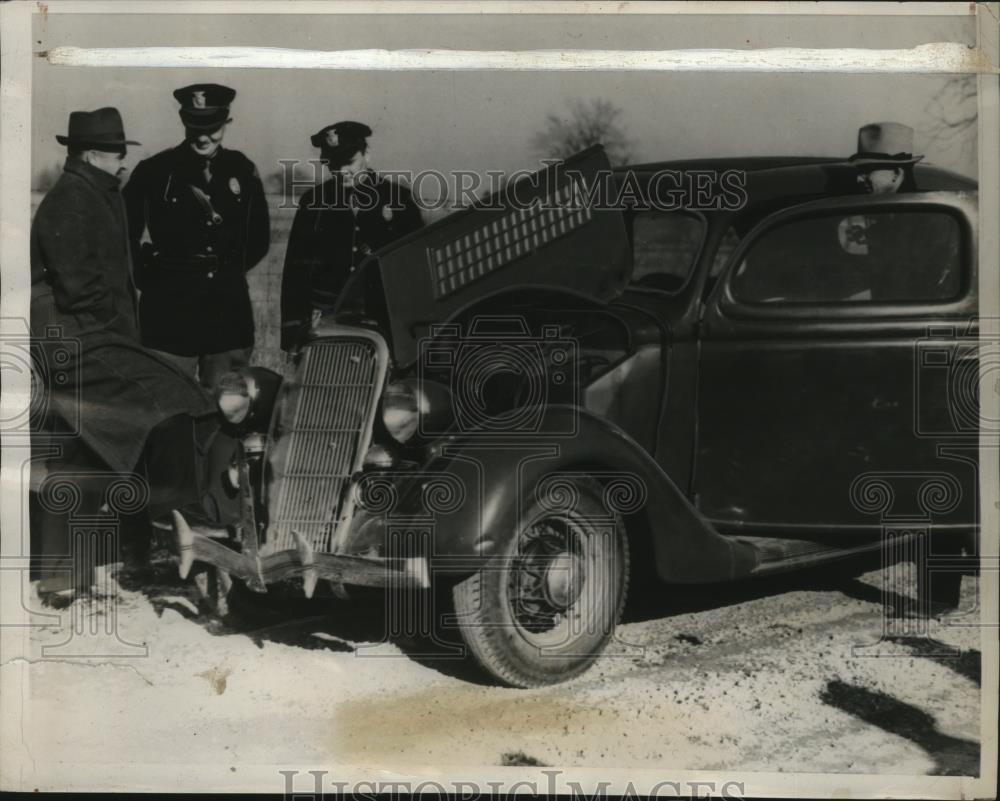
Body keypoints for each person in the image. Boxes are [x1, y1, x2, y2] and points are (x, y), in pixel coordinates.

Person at [30, 107, 217, 601]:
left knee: (82, 451)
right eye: (117, 155)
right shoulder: (72, 201)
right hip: (80, 342)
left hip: (81, 340)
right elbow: (80, 292)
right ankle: (178, 533)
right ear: (91, 154)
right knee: (176, 403)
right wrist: (121, 342)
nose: (122, 164)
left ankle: (65, 576)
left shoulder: (92, 193)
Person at [123, 83, 269, 390]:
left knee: (227, 405)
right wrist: (148, 277)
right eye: (195, 126)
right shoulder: (154, 171)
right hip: (168, 313)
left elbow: (259, 238)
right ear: (183, 122)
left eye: (212, 127)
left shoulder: (242, 170)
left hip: (227, 314)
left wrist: (226, 271)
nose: (203, 136)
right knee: (167, 404)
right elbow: (124, 232)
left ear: (226, 123)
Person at [280, 121, 423, 351]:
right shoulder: (313, 202)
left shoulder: (399, 199)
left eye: (348, 162)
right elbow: (295, 271)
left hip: (385, 321)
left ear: (367, 154)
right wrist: (293, 331)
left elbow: (416, 268)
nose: (341, 171)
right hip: (326, 320)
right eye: (333, 164)